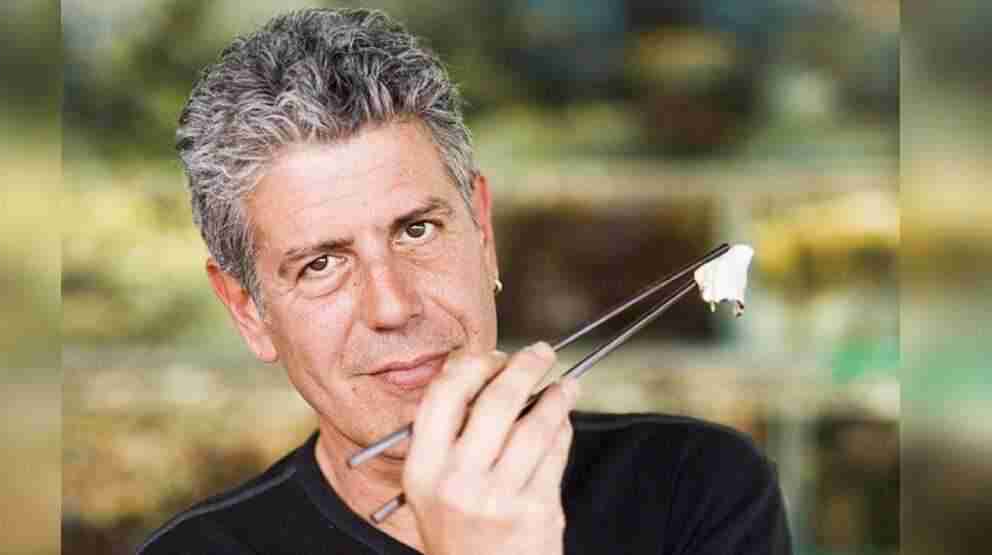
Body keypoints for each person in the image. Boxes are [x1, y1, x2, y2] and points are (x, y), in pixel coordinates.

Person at [138, 8, 791, 555]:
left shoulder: (693, 488)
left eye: (417, 230)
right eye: (322, 264)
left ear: (483, 231)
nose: (393, 306)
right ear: (247, 310)